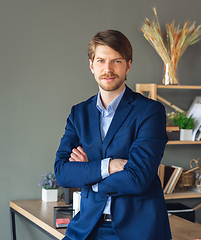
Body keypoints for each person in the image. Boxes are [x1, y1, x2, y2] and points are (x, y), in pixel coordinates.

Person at [54, 29, 171, 240]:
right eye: (101, 61)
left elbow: (138, 177)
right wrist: (109, 166)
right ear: (91, 65)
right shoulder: (78, 113)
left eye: (116, 61)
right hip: (88, 224)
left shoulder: (150, 111)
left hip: (137, 229)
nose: (107, 69)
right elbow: (62, 173)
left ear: (128, 65)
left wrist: (89, 176)